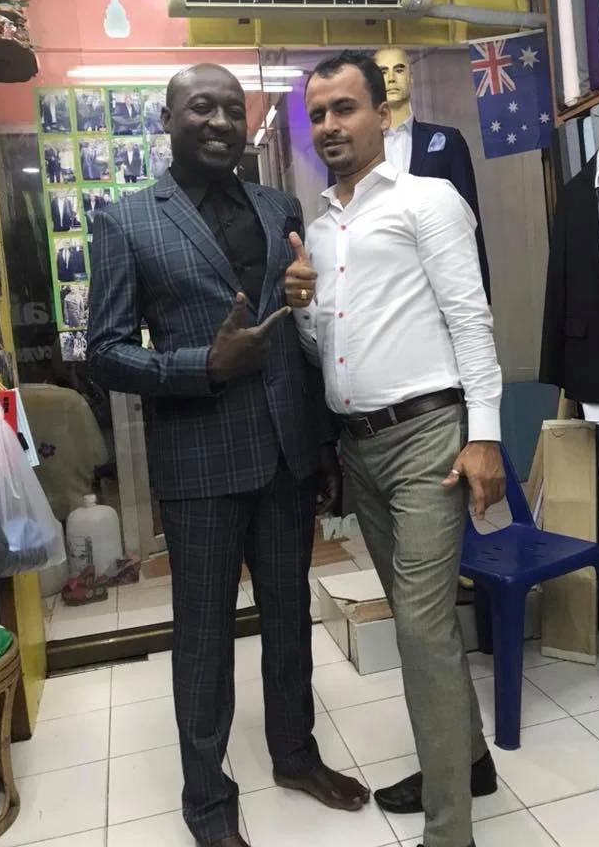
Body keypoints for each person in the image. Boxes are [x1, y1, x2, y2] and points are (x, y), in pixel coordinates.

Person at [86, 63, 369, 847]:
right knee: (204, 639)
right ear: (169, 118)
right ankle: (208, 803)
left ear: (247, 124)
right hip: (199, 463)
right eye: (199, 107)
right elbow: (102, 351)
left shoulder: (279, 206)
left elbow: (298, 335)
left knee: (288, 622)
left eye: (231, 109)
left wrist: (321, 444)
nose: (217, 120)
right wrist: (197, 367)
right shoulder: (129, 220)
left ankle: (294, 754)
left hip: (284, 456)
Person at [285, 50, 505, 847]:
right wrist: (302, 306)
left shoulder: (428, 200)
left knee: (418, 628)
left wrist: (485, 436)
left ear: (382, 112)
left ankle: (452, 832)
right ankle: (469, 760)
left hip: (429, 441)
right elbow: (325, 351)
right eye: (318, 115)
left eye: (345, 108)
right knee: (428, 624)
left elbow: (471, 320)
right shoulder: (319, 224)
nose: (331, 126)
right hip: (363, 450)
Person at [374, 46, 491, 303]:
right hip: (381, 287)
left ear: (411, 79)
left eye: (399, 69)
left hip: (440, 282)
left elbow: (469, 220)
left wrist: (481, 297)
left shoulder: (448, 141)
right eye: (383, 71)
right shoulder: (358, 150)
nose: (392, 78)